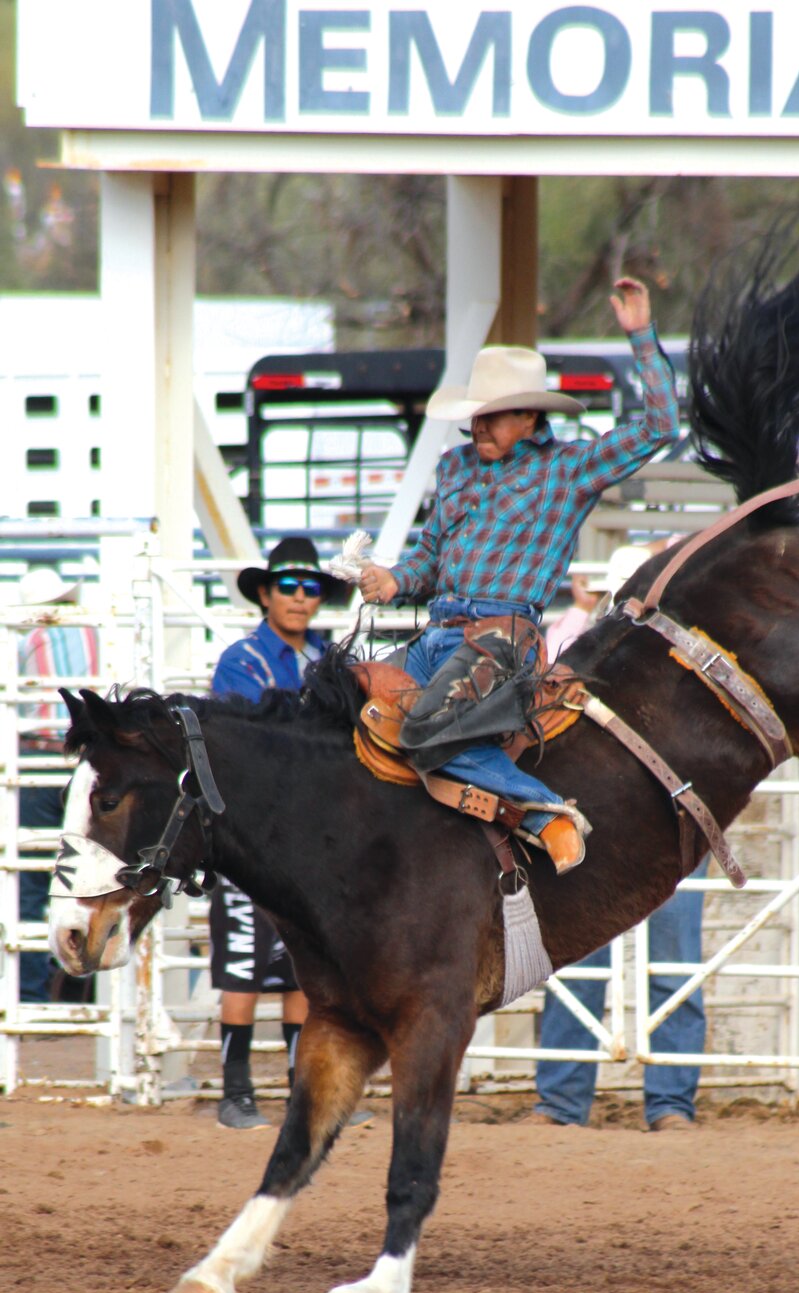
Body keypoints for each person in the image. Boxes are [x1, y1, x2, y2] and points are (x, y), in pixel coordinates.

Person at [358, 276, 679, 875]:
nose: (477, 427)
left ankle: (545, 812)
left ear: (530, 416)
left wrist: (641, 337)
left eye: (492, 417)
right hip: (436, 635)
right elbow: (431, 554)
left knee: (426, 727)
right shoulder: (455, 466)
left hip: (501, 637)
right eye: (474, 417)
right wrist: (395, 581)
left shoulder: (568, 469)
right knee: (350, 704)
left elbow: (660, 429)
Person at [532, 546, 708, 1131]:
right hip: (612, 821)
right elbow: (547, 671)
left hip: (664, 822)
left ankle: (655, 1102)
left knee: (665, 961)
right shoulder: (588, 645)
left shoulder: (685, 654)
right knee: (584, 958)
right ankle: (591, 1101)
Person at [209, 536, 351, 1129]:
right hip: (253, 833)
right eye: (288, 586)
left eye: (310, 587)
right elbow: (251, 740)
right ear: (266, 594)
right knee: (245, 959)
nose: (299, 597)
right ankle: (235, 1092)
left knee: (303, 964)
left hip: (312, 837)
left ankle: (301, 1091)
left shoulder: (326, 656)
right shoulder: (243, 659)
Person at [17, 567, 98, 1006]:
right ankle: (82, 989)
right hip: (85, 758)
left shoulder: (22, 640)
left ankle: (31, 996)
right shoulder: (95, 632)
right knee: (91, 875)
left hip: (34, 757)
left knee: (29, 882)